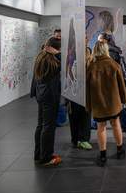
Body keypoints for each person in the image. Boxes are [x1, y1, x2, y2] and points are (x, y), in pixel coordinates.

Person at [86, 41, 126, 167]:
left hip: (98, 103)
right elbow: (122, 86)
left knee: (101, 127)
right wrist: (124, 100)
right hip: (114, 103)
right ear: (106, 50)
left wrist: (88, 105)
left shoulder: (91, 67)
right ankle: (120, 150)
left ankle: (103, 155)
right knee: (116, 124)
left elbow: (87, 89)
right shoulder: (114, 65)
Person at [31, 37, 62, 166]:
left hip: (41, 95)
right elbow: (63, 64)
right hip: (49, 97)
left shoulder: (40, 57)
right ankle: (46, 157)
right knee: (48, 127)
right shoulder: (53, 61)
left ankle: (38, 154)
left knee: (41, 125)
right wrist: (58, 54)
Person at [67, 47, 93, 150]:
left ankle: (77, 139)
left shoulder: (72, 61)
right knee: (84, 117)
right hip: (80, 94)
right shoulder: (86, 63)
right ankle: (83, 139)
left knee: (75, 117)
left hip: (75, 93)